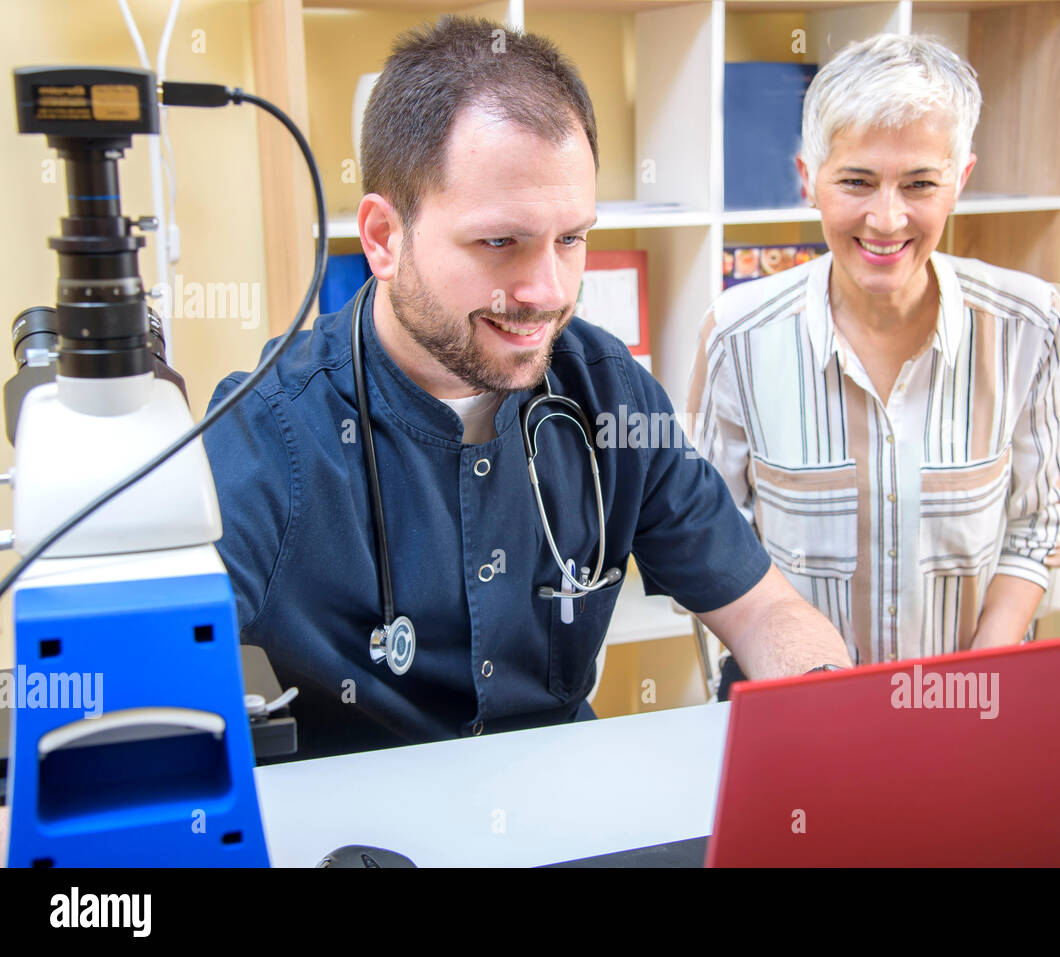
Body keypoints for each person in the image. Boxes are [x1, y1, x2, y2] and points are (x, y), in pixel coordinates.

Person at [202, 17, 851, 760]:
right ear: (383, 237)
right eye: (499, 242)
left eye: (571, 238)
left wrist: (824, 704)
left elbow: (765, 608)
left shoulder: (610, 396)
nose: (547, 292)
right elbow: (156, 683)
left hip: (565, 814)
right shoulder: (266, 431)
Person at [688, 33, 1060, 668]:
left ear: (960, 181)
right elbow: (705, 540)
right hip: (797, 703)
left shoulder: (1030, 326)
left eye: (920, 184)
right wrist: (809, 682)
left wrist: (980, 675)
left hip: (970, 702)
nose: (887, 219)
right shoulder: (738, 335)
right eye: (857, 182)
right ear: (809, 180)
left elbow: (1038, 527)